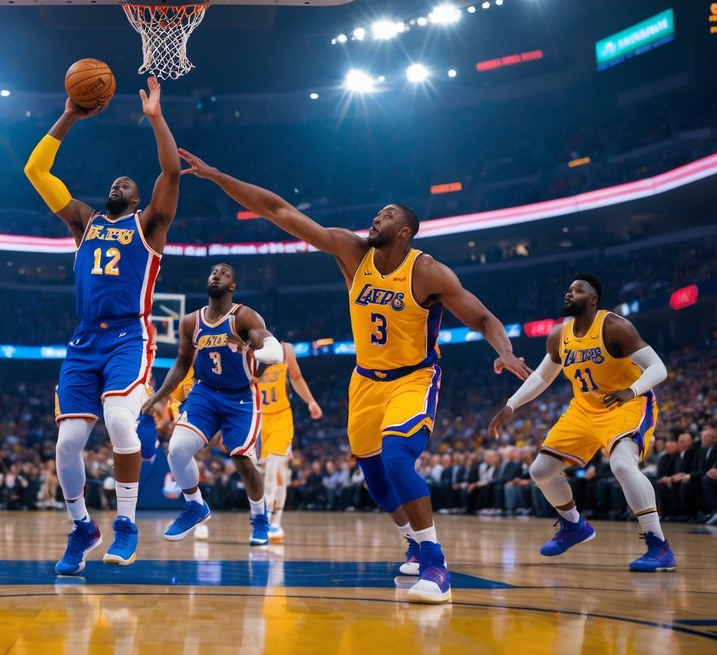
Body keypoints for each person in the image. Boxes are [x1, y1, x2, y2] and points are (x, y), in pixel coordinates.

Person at [176, 150, 530, 604]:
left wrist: (504, 351)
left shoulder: (425, 271)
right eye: (377, 213)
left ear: (403, 231)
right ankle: (413, 541)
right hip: (364, 381)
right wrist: (218, 175)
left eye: (386, 215)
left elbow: (481, 317)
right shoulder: (350, 251)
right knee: (376, 480)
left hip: (413, 377)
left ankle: (436, 564)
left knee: (399, 458)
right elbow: (279, 211)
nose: (375, 218)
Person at [24, 75, 180, 574]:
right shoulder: (84, 222)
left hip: (129, 336)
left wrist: (156, 119)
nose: (119, 183)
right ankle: (81, 527)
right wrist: (70, 114)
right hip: (84, 340)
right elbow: (35, 169)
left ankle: (127, 524)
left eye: (127, 184)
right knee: (66, 444)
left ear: (137, 201)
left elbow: (171, 173)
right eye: (115, 181)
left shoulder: (149, 226)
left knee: (117, 421)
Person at [488, 274, 674, 571]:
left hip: (625, 404)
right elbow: (541, 377)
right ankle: (574, 525)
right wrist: (511, 405)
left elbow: (658, 368)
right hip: (584, 410)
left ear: (593, 299)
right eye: (568, 290)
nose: (569, 294)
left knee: (623, 466)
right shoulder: (558, 334)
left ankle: (659, 545)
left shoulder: (613, 325)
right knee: (541, 470)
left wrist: (632, 390)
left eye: (578, 290)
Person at [146, 263, 284, 546]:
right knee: (177, 449)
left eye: (224, 273)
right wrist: (158, 396)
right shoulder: (189, 322)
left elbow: (273, 350)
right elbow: (182, 364)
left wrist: (255, 356)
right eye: (213, 271)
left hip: (241, 397)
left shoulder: (243, 316)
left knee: (243, 461)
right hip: (206, 393)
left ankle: (260, 518)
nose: (216, 274)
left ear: (232, 286)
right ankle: (195, 505)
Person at [255, 339, 321, 542]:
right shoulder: (247, 353)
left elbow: (297, 377)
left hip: (281, 418)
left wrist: (311, 401)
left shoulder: (286, 350)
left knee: (277, 468)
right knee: (266, 472)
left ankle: (270, 520)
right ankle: (270, 519)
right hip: (257, 419)